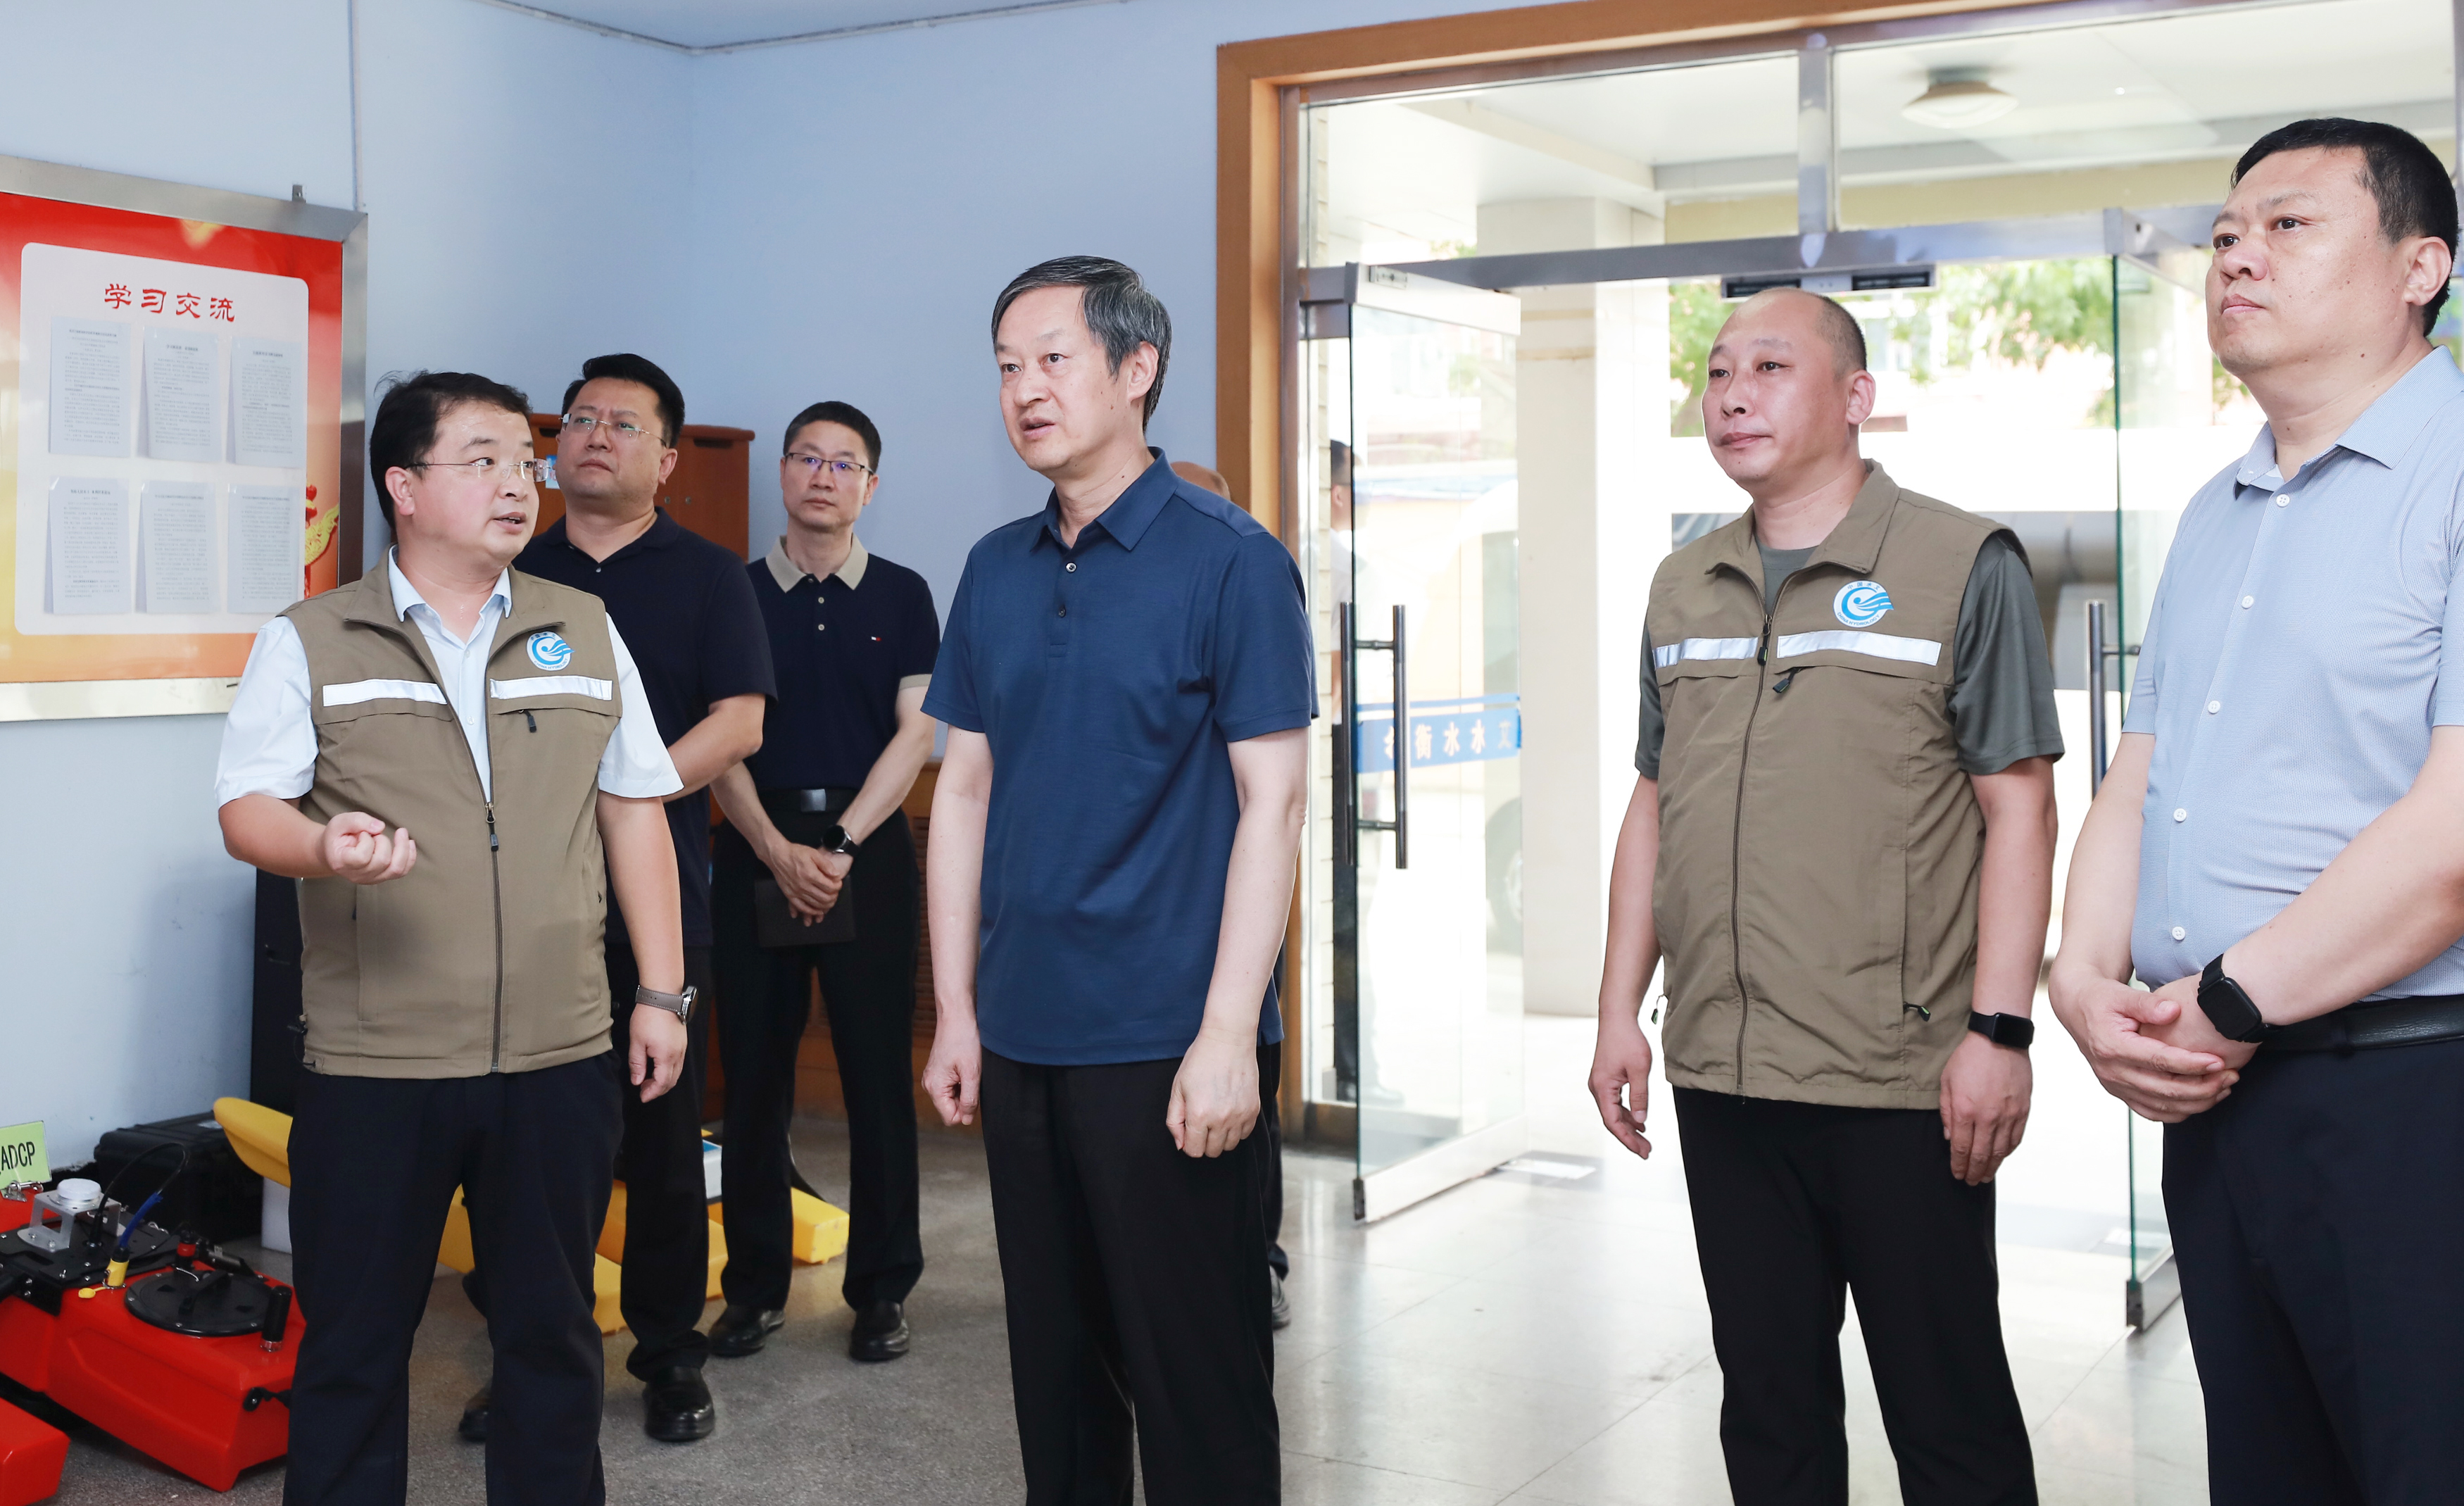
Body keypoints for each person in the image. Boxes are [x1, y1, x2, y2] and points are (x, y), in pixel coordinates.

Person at [2049, 118, 2464, 1504]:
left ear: (2420, 267)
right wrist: (2079, 975)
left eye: (2288, 225)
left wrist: (2226, 999)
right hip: (2218, 1101)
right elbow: (2138, 774)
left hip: (2412, 1092)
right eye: (2226, 233)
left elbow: (2454, 835)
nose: (2237, 255)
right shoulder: (2217, 509)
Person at [1589, 289, 2061, 1505]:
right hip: (1726, 1073)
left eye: (1769, 367)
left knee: (1949, 1419)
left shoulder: (1961, 563)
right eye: (1717, 371)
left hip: (1899, 1082)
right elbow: (1654, 803)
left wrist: (2000, 1030)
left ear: (1856, 397)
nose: (1733, 394)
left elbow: (2020, 808)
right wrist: (1616, 1011)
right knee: (1771, 1415)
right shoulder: (1684, 582)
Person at [213, 370, 689, 1506]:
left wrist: (662, 992)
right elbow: (246, 809)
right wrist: (323, 847)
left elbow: (635, 810)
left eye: (526, 461)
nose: (518, 483)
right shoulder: (314, 637)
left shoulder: (582, 627)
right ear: (405, 486)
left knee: (553, 1336)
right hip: (380, 1061)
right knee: (356, 1344)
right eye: (483, 459)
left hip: (557, 1053)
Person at [920, 257, 1312, 1504]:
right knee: (1058, 1380)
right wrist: (958, 1010)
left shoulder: (1233, 561)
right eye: (1006, 366)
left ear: (1137, 369)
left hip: (1166, 1041)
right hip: (1023, 1032)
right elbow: (963, 792)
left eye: (1053, 358)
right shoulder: (996, 566)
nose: (1024, 389)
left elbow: (1274, 804)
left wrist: (1228, 1035)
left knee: (1199, 1385)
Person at [459, 353, 772, 1443]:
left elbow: (741, 722)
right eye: (580, 419)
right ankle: (527, 1356)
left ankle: (669, 1354)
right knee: (526, 1146)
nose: (594, 435)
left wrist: (628, 793)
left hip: (658, 905)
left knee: (663, 1138)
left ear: (668, 459)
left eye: (624, 423)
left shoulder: (709, 575)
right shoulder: (510, 565)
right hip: (524, 905)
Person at [708, 399, 939, 1363]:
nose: (822, 476)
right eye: (807, 457)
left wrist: (839, 845)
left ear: (869, 487)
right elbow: (717, 736)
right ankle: (753, 1286)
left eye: (844, 464)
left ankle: (882, 1289)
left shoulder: (902, 594)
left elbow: (918, 733)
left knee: (878, 1076)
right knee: (753, 1080)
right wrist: (772, 845)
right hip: (753, 841)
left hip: (867, 849)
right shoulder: (730, 591)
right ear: (783, 473)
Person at [1171, 457, 1293, 1334]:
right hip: (1149, 933)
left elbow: (1274, 804)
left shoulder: (1245, 582)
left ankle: (1262, 1261)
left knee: (1248, 1103)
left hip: (1234, 912)